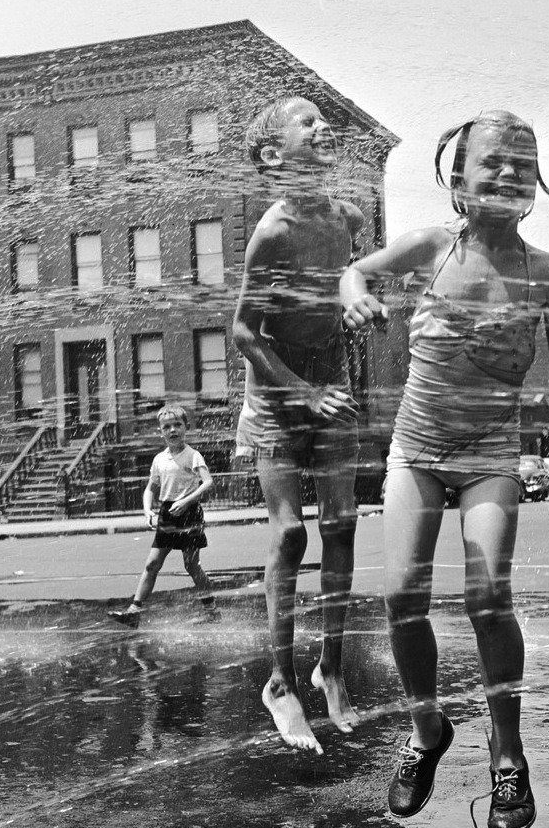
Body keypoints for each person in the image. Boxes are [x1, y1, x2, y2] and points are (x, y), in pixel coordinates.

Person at [340, 111, 549, 828]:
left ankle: (509, 754)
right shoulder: (431, 249)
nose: (506, 172)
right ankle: (427, 729)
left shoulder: (547, 273)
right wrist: (357, 293)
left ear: (535, 181)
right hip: (417, 451)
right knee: (401, 595)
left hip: (490, 452)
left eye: (521, 161)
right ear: (457, 177)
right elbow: (355, 270)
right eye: (490, 161)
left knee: (487, 593)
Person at [233, 95, 365, 755]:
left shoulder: (346, 218)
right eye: (305, 120)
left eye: (322, 119)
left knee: (341, 524)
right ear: (272, 154)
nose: (322, 126)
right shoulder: (273, 231)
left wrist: (361, 305)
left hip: (330, 385)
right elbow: (243, 332)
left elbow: (344, 283)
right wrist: (304, 393)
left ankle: (331, 665)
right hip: (278, 398)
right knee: (289, 535)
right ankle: (280, 681)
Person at [108, 404, 220, 628]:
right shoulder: (159, 459)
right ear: (161, 431)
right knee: (152, 564)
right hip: (167, 514)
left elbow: (207, 482)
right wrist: (147, 510)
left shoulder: (193, 455)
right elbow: (151, 487)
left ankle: (211, 608)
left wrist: (186, 501)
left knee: (191, 565)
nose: (172, 430)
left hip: (189, 513)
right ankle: (134, 611)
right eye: (167, 427)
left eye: (177, 425)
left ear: (186, 427)